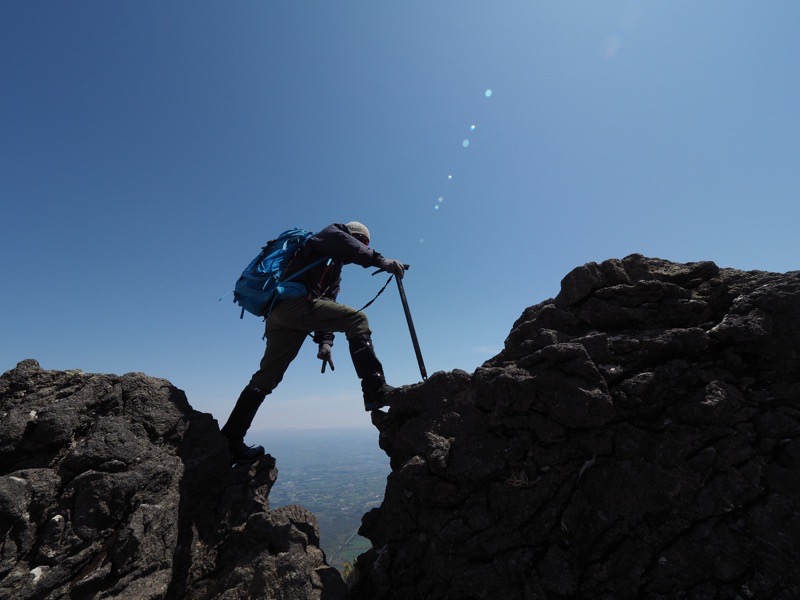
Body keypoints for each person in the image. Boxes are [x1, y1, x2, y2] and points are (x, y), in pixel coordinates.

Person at [221, 222, 406, 463]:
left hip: (281, 313)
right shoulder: (329, 235)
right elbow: (343, 242)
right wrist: (380, 260)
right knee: (357, 320)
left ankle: (230, 440)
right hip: (292, 306)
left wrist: (325, 343)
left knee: (266, 378)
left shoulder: (332, 268)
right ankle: (375, 390)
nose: (364, 247)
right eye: (364, 242)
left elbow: (327, 305)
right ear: (355, 236)